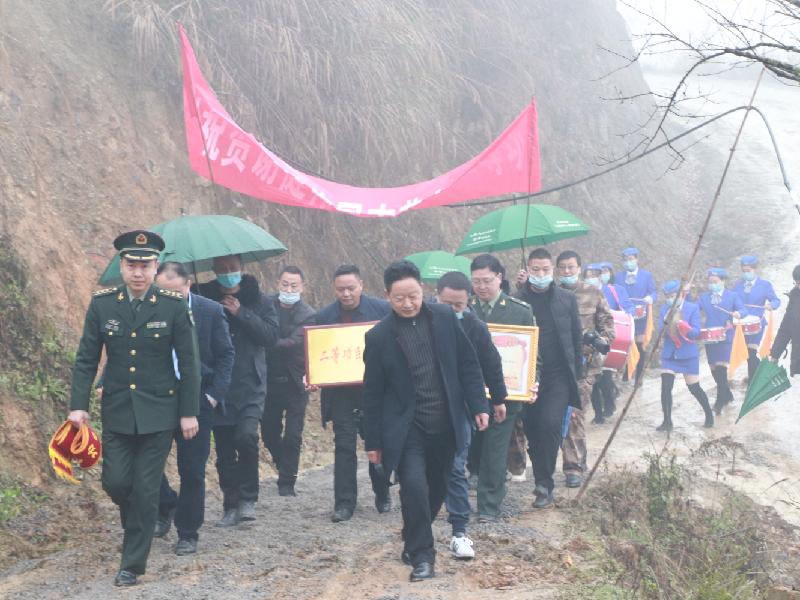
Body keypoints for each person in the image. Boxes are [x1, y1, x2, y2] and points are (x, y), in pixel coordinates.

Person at [68, 231, 201, 586]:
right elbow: (86, 358)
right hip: (118, 410)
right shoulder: (103, 304)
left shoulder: (173, 305)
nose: (138, 272)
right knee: (115, 482)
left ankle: (132, 563)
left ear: (156, 267)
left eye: (145, 265)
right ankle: (152, 513)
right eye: (131, 265)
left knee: (144, 489)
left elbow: (189, 363)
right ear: (122, 267)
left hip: (159, 411)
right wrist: (78, 405)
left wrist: (189, 411)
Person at [362, 260, 490, 582]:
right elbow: (372, 393)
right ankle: (422, 555)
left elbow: (468, 363)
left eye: (413, 296)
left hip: (445, 422)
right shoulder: (379, 337)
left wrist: (479, 404)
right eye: (399, 298)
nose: (407, 304)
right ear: (387, 296)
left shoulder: (444, 318)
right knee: (414, 487)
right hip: (407, 428)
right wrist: (373, 441)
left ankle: (413, 534)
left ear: (423, 291)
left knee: (437, 487)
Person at [155, 262, 235, 555]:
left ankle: (188, 532)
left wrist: (214, 395)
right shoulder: (149, 311)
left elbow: (226, 355)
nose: (169, 299)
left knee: (191, 469)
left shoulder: (209, 311)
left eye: (175, 292)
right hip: (160, 399)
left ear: (188, 285)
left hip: (199, 399)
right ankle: (166, 504)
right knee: (148, 463)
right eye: (162, 293)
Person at [198, 254, 279, 527]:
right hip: (219, 385)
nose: (228, 272)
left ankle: (248, 499)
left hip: (251, 383)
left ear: (242, 268)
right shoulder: (205, 298)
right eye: (222, 268)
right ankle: (230, 504)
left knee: (246, 437)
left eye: (233, 268)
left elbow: (271, 337)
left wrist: (241, 313)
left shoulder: (259, 300)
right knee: (224, 450)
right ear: (214, 269)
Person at [436, 271, 507, 559]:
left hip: (460, 407)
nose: (453, 310)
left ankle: (459, 530)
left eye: (459, 305)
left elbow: (488, 363)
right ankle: (418, 526)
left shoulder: (474, 326)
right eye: (447, 304)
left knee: (456, 465)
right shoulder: (420, 321)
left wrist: (496, 400)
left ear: (468, 302)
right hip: (424, 406)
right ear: (436, 297)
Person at [315, 264, 392, 522]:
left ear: (361, 285)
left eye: (350, 288)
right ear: (334, 289)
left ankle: (382, 492)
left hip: (375, 391)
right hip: (340, 393)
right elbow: (317, 354)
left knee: (377, 444)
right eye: (340, 289)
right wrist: (313, 375)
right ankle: (344, 503)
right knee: (344, 446)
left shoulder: (381, 311)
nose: (346, 294)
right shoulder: (324, 316)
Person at [468, 254, 535, 520]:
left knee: (495, 452)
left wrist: (532, 380)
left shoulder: (520, 311)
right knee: (472, 450)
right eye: (476, 281)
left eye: (486, 281)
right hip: (470, 393)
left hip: (506, 394)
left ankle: (488, 506)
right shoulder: (464, 307)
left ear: (500, 278)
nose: (481, 287)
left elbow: (534, 355)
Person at [516, 248, 582, 508]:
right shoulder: (517, 301)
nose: (541, 274)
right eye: (536, 270)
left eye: (545, 269)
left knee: (551, 425)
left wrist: (577, 375)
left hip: (558, 376)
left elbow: (575, 337)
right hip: (528, 377)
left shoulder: (567, 299)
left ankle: (545, 484)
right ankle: (541, 476)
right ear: (528, 270)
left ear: (552, 270)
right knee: (532, 429)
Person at [556, 251, 615, 488]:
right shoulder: (551, 294)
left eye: (571, 267)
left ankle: (573, 467)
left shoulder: (593, 293)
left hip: (585, 366)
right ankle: (574, 459)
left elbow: (607, 324)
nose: (567, 271)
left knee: (574, 414)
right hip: (556, 365)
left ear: (579, 268)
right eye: (562, 267)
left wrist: (600, 340)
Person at [261, 266, 316, 497]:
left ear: (302, 287)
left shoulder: (308, 314)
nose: (289, 289)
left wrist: (264, 338)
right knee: (269, 433)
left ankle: (287, 482)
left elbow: (294, 342)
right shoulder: (266, 305)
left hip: (296, 382)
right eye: (285, 284)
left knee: (293, 435)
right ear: (278, 283)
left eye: (294, 285)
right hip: (268, 380)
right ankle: (284, 464)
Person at [656, 279, 713, 430]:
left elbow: (696, 333)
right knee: (665, 387)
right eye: (667, 296)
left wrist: (685, 327)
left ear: (680, 294)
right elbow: (660, 330)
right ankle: (667, 421)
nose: (670, 299)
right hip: (670, 354)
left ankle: (709, 414)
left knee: (694, 388)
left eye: (672, 295)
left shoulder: (692, 308)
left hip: (687, 354)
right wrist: (666, 323)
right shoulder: (664, 309)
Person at [586, 262, 634, 422]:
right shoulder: (583, 293)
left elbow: (629, 309)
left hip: (608, 339)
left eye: (594, 275)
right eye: (588, 276)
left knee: (605, 379)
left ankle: (609, 404)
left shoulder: (615, 290)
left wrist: (617, 315)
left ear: (600, 276)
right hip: (589, 340)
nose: (591, 279)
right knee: (592, 379)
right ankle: (598, 414)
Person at [696, 267, 746, 415]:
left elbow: (744, 310)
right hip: (710, 337)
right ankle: (728, 394)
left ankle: (719, 403)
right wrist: (685, 295)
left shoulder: (732, 296)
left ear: (723, 281)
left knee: (721, 368)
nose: (712, 285)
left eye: (715, 282)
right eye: (710, 282)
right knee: (713, 370)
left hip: (726, 336)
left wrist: (738, 314)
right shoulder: (704, 297)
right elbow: (693, 309)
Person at [732, 255, 780, 381]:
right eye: (743, 271)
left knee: (751, 353)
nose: (745, 273)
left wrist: (771, 305)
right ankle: (762, 374)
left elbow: (776, 300)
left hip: (756, 325)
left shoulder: (765, 285)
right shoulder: (737, 286)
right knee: (748, 355)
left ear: (755, 269)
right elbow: (731, 301)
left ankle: (752, 382)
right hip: (740, 325)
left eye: (748, 270)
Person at [614, 248, 657, 383]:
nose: (628, 262)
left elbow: (654, 292)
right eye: (626, 260)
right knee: (627, 344)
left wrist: (650, 298)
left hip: (641, 316)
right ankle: (627, 373)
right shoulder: (618, 277)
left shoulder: (646, 275)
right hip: (626, 316)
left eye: (631, 259)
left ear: (637, 259)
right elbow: (615, 293)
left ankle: (639, 376)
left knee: (640, 345)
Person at [770, 264, 800, 374]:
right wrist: (775, 354)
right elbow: (786, 328)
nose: (799, 287)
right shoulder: (795, 297)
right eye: (797, 283)